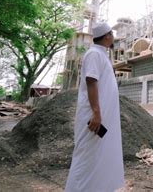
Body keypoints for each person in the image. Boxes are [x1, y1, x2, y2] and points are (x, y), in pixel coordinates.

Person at [65, 22, 124, 192]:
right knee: (86, 157)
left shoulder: (102, 55)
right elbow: (91, 82)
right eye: (112, 34)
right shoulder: (93, 54)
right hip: (94, 118)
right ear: (107, 36)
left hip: (101, 117)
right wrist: (97, 113)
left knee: (98, 158)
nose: (113, 38)